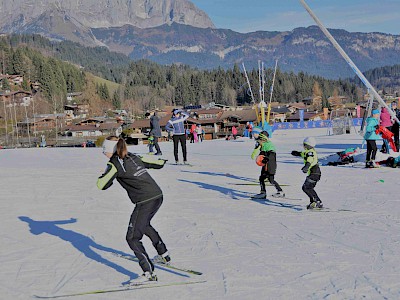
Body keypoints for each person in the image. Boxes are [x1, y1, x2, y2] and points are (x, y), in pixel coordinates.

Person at [97, 136, 170, 283]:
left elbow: (101, 184)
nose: (103, 152)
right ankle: (164, 254)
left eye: (104, 149)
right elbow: (158, 163)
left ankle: (148, 272)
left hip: (145, 201)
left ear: (110, 149)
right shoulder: (133, 156)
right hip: (157, 195)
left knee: (132, 238)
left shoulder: (114, 164)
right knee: (143, 225)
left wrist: (108, 175)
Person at [250, 131, 284, 199]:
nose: (259, 141)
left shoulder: (269, 145)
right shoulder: (263, 146)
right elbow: (261, 154)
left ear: (264, 139)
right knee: (261, 178)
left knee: (271, 179)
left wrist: (267, 159)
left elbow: (272, 155)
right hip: (265, 165)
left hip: (271, 165)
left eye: (260, 140)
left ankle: (280, 192)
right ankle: (263, 193)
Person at [291, 137, 322, 209]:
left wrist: (306, 166)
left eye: (304, 145)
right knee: (306, 188)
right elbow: (303, 154)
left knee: (307, 187)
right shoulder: (308, 152)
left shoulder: (310, 152)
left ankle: (318, 201)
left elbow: (309, 159)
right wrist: (297, 153)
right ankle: (313, 201)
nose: (303, 146)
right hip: (314, 173)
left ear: (308, 145)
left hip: (314, 173)